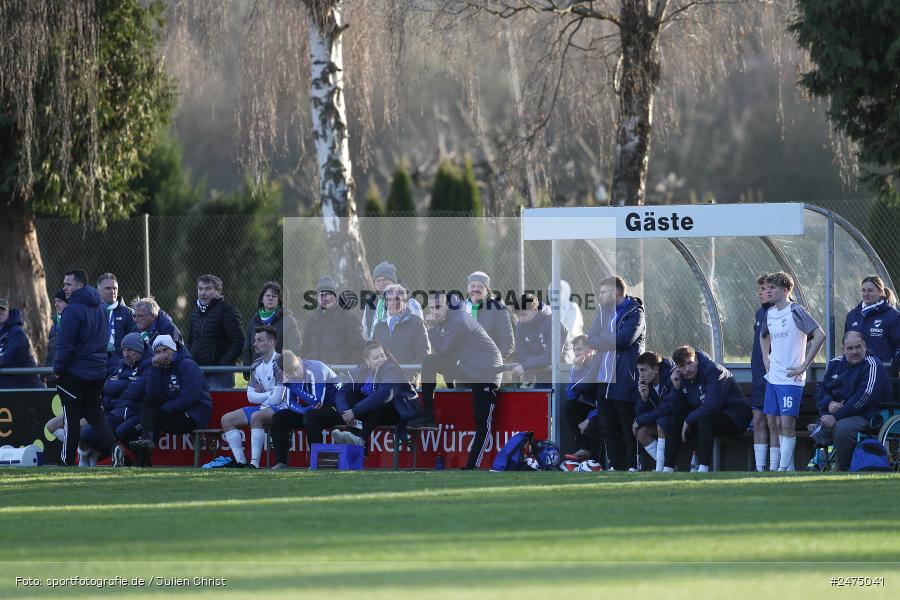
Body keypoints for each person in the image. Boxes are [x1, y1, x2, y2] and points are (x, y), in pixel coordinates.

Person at [411, 292, 503, 470]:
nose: (434, 312)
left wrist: (430, 327)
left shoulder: (460, 320)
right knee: (428, 362)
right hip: (469, 368)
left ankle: (472, 466)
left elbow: (443, 350)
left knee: (482, 423)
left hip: (485, 374)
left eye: (438, 307)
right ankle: (428, 415)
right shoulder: (447, 321)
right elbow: (443, 355)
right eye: (431, 307)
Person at [53, 269, 124, 467]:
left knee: (71, 417)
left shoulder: (72, 310)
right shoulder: (101, 308)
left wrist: (58, 369)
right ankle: (113, 447)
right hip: (96, 371)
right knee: (95, 414)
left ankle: (66, 461)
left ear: (80, 285)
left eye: (68, 284)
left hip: (73, 373)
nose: (64, 288)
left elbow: (66, 344)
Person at [760, 271, 826, 471]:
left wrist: (804, 365)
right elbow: (764, 336)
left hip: (791, 378)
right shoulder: (769, 313)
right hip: (773, 378)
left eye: (773, 287)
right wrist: (766, 356)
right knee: (774, 423)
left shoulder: (796, 311)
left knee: (787, 424)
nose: (769, 291)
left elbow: (819, 335)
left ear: (786, 290)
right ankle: (786, 469)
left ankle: (781, 470)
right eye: (768, 287)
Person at [586, 275, 645, 471]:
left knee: (627, 424)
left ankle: (632, 465)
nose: (600, 296)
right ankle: (614, 466)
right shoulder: (603, 313)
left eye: (603, 292)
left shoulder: (635, 312)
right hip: (604, 378)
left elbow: (624, 341)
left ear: (615, 292)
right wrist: (607, 339)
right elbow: (590, 339)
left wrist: (604, 339)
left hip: (624, 377)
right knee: (608, 426)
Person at [662, 346, 752, 472]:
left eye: (690, 363)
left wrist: (688, 420)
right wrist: (676, 388)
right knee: (673, 421)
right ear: (677, 367)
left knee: (704, 419)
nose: (687, 369)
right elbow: (677, 411)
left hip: (735, 416)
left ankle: (703, 468)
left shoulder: (714, 370)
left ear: (696, 360)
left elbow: (712, 405)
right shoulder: (680, 377)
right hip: (705, 418)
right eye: (682, 366)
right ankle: (668, 468)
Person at [814, 331, 893, 471]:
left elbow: (863, 398)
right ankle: (820, 462)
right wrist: (829, 403)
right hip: (841, 413)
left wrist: (835, 417)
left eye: (858, 347)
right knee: (821, 425)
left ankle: (842, 470)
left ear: (865, 346)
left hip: (869, 415)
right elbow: (821, 390)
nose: (855, 351)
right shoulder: (835, 364)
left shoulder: (873, 364)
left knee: (841, 428)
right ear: (843, 349)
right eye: (850, 348)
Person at [129, 335, 212, 467]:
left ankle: (144, 450)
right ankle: (144, 452)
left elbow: (189, 399)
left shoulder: (187, 365)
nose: (162, 355)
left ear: (174, 350)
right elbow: (152, 394)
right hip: (171, 413)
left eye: (165, 350)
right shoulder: (159, 368)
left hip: (193, 415)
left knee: (149, 420)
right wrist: (155, 368)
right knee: (148, 407)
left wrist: (162, 409)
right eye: (158, 352)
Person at [332, 341, 421, 447]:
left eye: (382, 356)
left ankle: (359, 440)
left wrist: (354, 411)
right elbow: (342, 392)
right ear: (367, 361)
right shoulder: (362, 370)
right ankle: (354, 439)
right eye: (376, 358)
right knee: (352, 396)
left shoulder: (392, 370)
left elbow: (383, 396)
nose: (381, 360)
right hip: (377, 411)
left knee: (373, 405)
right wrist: (345, 412)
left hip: (400, 410)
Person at [78, 333, 146, 465]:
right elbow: (108, 387)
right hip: (116, 412)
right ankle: (120, 457)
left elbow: (138, 390)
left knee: (123, 431)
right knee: (87, 434)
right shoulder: (121, 364)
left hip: (137, 413)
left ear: (139, 350)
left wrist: (121, 382)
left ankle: (140, 462)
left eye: (130, 350)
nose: (126, 354)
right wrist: (129, 382)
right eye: (124, 350)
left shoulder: (147, 365)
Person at [221, 326, 284, 468]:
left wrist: (264, 396)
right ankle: (240, 462)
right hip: (263, 406)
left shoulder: (281, 363)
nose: (255, 344)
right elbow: (250, 396)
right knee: (226, 419)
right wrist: (269, 394)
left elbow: (278, 398)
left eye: (260, 340)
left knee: (256, 416)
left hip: (282, 407)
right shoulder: (256, 365)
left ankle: (254, 463)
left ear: (272, 342)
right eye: (255, 340)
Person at [268, 350, 342, 469]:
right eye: (290, 373)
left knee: (311, 417)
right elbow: (289, 403)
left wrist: (292, 386)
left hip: (336, 408)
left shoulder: (317, 368)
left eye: (296, 369)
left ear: (299, 359)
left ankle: (316, 462)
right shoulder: (290, 375)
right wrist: (304, 410)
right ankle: (281, 462)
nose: (295, 374)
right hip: (313, 409)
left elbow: (317, 401)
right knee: (278, 418)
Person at [188, 274, 245, 388]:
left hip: (219, 375)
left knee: (219, 405)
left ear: (218, 291)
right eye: (200, 289)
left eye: (208, 288)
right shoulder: (195, 312)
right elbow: (191, 341)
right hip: (197, 372)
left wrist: (222, 365)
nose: (203, 293)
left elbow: (239, 341)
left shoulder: (227, 311)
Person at [300, 276, 366, 366]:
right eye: (320, 295)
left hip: (340, 374)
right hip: (315, 374)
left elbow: (359, 348)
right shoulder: (312, 321)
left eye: (327, 294)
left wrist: (345, 370)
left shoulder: (349, 319)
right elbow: (304, 350)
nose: (324, 298)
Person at [371, 283, 430, 382]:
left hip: (406, 381)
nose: (393, 303)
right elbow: (371, 352)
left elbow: (423, 353)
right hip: (381, 380)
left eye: (397, 299)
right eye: (389, 300)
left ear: (404, 302)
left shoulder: (416, 322)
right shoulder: (379, 326)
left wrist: (410, 376)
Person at [512, 292, 572, 388]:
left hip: (562, 374)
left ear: (535, 310)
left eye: (523, 314)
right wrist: (532, 363)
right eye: (518, 315)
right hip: (540, 373)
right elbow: (521, 353)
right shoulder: (521, 323)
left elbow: (552, 356)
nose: (520, 319)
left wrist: (527, 365)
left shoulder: (552, 322)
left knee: (558, 401)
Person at [844, 275, 900, 376]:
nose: (866, 294)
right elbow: (846, 343)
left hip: (882, 374)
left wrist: (892, 365)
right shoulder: (852, 315)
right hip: (855, 373)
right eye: (863, 290)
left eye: (870, 290)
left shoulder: (893, 316)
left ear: (880, 292)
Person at [750, 274, 777, 471]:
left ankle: (778, 467)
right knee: (758, 419)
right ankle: (760, 469)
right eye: (760, 288)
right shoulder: (761, 313)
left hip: (777, 376)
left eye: (766, 288)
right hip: (759, 375)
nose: (761, 292)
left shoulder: (787, 311)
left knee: (773, 421)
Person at [241, 281, 301, 367]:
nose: (271, 298)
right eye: (268, 296)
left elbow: (295, 349)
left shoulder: (288, 320)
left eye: (274, 296)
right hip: (257, 372)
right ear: (262, 299)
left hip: (280, 373)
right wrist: (247, 367)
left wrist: (285, 367)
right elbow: (246, 348)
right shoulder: (253, 321)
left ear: (278, 300)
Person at [633, 351, 675, 472]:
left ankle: (661, 468)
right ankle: (665, 464)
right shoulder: (646, 384)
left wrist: (639, 420)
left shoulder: (670, 378)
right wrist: (644, 398)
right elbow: (639, 413)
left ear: (656, 369)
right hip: (662, 420)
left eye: (644, 370)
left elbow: (667, 408)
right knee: (641, 432)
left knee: (662, 423)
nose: (640, 375)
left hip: (679, 420)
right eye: (639, 370)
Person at [563, 335, 601, 465]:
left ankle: (596, 460)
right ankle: (584, 448)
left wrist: (588, 418)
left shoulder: (598, 364)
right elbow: (571, 394)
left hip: (602, 408)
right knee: (570, 406)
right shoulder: (577, 367)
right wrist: (576, 370)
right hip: (589, 406)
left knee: (594, 424)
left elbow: (603, 399)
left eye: (579, 349)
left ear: (590, 349)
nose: (576, 353)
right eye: (574, 350)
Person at [361, 262, 423, 340]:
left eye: (385, 279)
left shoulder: (410, 303)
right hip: (376, 348)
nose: (381, 283)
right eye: (378, 281)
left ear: (393, 282)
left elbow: (420, 331)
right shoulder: (370, 304)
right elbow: (365, 332)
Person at [465, 271, 515, 360]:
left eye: (480, 286)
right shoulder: (460, 309)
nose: (475, 289)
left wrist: (494, 360)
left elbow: (508, 342)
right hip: (464, 362)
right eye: (472, 286)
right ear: (468, 288)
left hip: (488, 363)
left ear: (487, 290)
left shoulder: (498, 309)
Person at [96, 273, 136, 374]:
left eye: (115, 288)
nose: (112, 291)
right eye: (108, 288)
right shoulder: (92, 312)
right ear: (99, 291)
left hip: (121, 364)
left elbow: (134, 339)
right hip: (97, 363)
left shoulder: (128, 313)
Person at [0, 298, 44, 389]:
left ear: (8, 311)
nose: (0, 312)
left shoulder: (17, 333)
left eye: (2, 309)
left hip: (26, 391)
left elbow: (7, 359)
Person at [131, 297, 185, 368]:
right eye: (134, 316)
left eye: (140, 316)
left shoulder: (168, 329)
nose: (136, 320)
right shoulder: (138, 327)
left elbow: (171, 357)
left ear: (153, 315)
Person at [43, 289, 68, 384]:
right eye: (55, 302)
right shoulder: (54, 324)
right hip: (52, 375)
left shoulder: (73, 323)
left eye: (60, 301)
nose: (56, 304)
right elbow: (51, 351)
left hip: (66, 376)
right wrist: (45, 372)